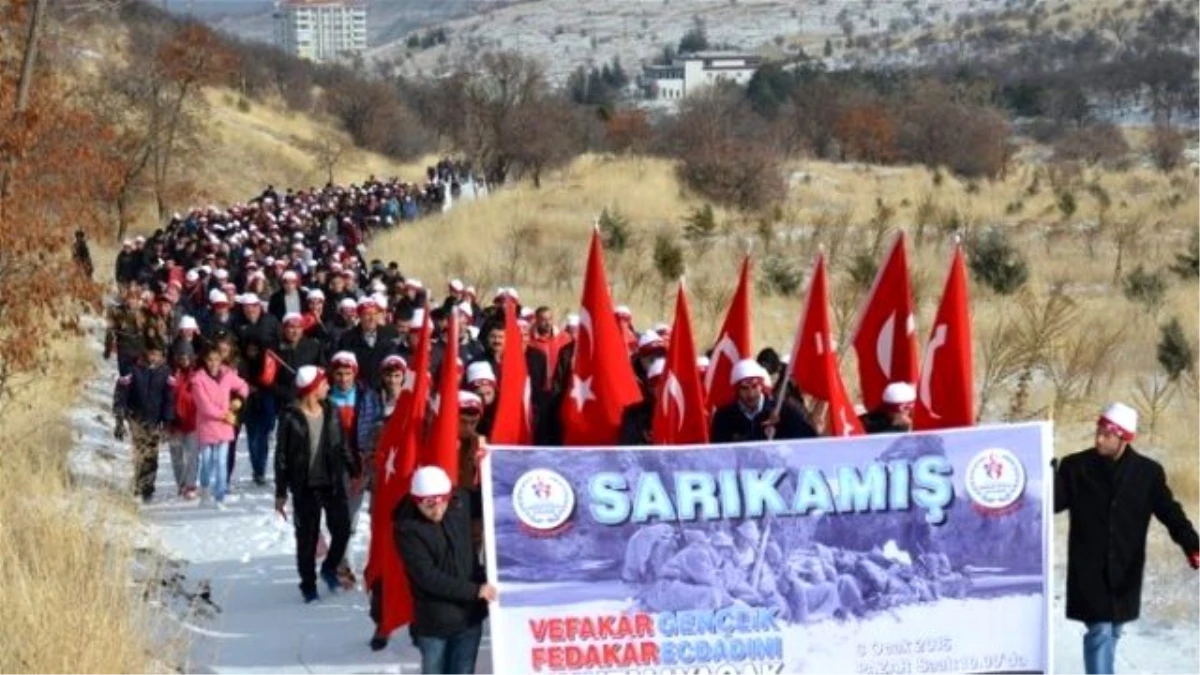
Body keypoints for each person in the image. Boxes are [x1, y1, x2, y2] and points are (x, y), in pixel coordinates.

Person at [1054, 402, 1200, 675]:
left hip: (1125, 568)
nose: (1098, 438)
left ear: (1123, 437)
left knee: (1113, 632)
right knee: (1100, 631)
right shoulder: (1076, 467)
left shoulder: (1148, 474)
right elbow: (1055, 503)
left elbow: (1170, 512)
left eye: (1106, 435)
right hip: (1089, 570)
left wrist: (1192, 545)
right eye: (1097, 431)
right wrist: (1050, 477)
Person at [275, 366, 362, 603]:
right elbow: (281, 456)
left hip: (332, 482)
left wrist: (355, 471)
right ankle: (308, 585)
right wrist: (281, 492)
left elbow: (342, 444)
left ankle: (329, 568)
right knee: (307, 538)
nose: (328, 386)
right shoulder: (290, 416)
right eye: (324, 383)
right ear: (313, 389)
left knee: (342, 530)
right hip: (304, 486)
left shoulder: (331, 409)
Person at [395, 465, 494, 675]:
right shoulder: (407, 528)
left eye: (443, 502)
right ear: (416, 500)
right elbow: (427, 577)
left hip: (469, 618)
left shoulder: (460, 502)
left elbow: (493, 493)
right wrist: (475, 591)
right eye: (429, 504)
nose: (437, 510)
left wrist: (487, 461)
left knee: (463, 670)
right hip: (435, 624)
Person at [113, 339, 174, 503]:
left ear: (162, 356)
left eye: (157, 355)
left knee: (152, 454)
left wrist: (167, 422)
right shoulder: (132, 370)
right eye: (151, 354)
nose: (153, 357)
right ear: (145, 353)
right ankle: (139, 484)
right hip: (136, 418)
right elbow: (121, 393)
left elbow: (169, 399)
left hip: (155, 420)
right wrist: (119, 417)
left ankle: (148, 486)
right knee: (140, 451)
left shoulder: (166, 373)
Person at [190, 344, 249, 506]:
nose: (214, 363)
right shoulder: (198, 380)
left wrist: (238, 400)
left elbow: (243, 386)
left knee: (222, 461)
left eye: (216, 359)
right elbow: (204, 406)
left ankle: (220, 495)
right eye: (210, 360)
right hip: (208, 426)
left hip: (224, 428)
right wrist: (224, 415)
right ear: (204, 360)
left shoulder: (228, 375)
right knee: (207, 461)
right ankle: (205, 488)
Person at [710, 359, 817, 443]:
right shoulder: (724, 416)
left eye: (754, 386)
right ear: (737, 390)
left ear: (761, 386)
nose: (751, 394)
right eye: (744, 388)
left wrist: (781, 427)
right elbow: (718, 450)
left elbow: (808, 438)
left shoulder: (783, 409)